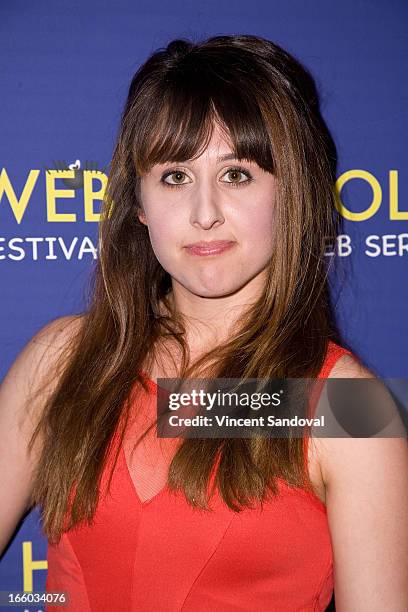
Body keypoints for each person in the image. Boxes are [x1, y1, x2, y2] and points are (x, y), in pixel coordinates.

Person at [1, 34, 407, 611]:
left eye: (237, 173)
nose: (205, 212)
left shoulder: (348, 407)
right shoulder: (64, 360)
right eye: (175, 176)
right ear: (138, 202)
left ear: (291, 192)